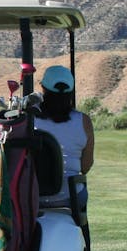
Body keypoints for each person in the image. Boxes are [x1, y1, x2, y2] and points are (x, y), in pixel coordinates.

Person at [33, 65, 94, 211]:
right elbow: (85, 167)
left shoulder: (29, 119)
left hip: (33, 197)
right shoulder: (84, 121)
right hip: (71, 198)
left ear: (43, 89)